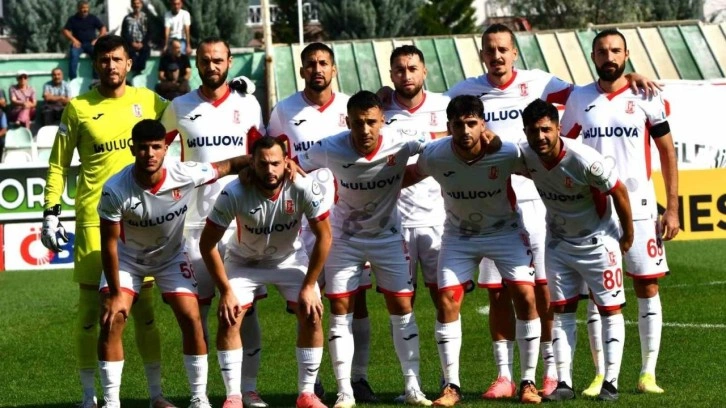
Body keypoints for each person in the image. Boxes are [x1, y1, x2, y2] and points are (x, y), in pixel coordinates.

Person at [444, 23, 659, 399]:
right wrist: (386, 96)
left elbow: (593, 91)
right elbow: (428, 107)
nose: (497, 56)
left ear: (514, 52)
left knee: (545, 292)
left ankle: (549, 373)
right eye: (490, 50)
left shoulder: (542, 83)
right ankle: (504, 376)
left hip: (545, 204)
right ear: (482, 55)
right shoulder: (465, 91)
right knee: (498, 292)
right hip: (498, 205)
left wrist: (628, 77)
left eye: (503, 49)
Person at [41, 35, 170, 408]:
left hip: (140, 223)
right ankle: (88, 396)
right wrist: (50, 211)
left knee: (145, 313)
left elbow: (188, 118)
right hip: (94, 222)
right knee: (90, 312)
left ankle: (156, 395)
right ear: (94, 64)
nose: (110, 65)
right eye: (103, 59)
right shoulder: (78, 108)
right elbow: (58, 165)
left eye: (117, 59)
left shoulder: (149, 101)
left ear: (129, 63)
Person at [560, 28, 679, 397]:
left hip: (641, 207)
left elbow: (667, 151)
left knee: (647, 285)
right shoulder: (579, 98)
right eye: (602, 51)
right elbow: (565, 151)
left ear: (626, 55)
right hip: (594, 211)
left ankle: (648, 373)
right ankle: (601, 374)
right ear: (593, 56)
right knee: (598, 291)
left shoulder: (646, 95)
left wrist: (672, 207)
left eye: (615, 51)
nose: (608, 57)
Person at [296, 91, 433, 408]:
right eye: (358, 123)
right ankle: (345, 392)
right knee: (340, 310)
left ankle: (412, 388)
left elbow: (439, 148)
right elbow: (295, 166)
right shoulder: (329, 147)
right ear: (348, 122)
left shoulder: (403, 141)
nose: (365, 129)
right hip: (345, 239)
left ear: (383, 120)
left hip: (388, 237)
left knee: (402, 307)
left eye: (371, 122)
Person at [97, 119, 246, 408]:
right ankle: (111, 402)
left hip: (170, 258)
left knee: (192, 318)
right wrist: (115, 293)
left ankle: (199, 398)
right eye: (143, 148)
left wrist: (276, 164)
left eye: (156, 147)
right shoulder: (115, 188)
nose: (149, 154)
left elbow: (231, 165)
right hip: (128, 260)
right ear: (132, 149)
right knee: (113, 318)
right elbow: (109, 244)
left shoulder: (185, 173)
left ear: (166, 148)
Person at [405, 95, 542, 405]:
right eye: (458, 125)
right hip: (459, 236)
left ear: (483, 124)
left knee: (525, 295)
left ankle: (528, 382)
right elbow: (408, 176)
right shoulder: (436, 154)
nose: (465, 131)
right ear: (448, 126)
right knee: (447, 300)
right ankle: (451, 386)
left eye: (471, 123)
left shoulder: (506, 152)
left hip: (505, 232)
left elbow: (540, 171)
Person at [161, 36, 268, 408]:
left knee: (244, 311)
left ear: (230, 61)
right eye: (205, 60)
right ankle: (200, 395)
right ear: (196, 63)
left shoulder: (248, 105)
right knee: (199, 312)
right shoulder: (179, 107)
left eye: (218, 59)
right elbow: (158, 155)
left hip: (241, 226)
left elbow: (262, 155)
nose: (212, 66)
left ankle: (246, 390)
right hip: (194, 227)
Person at [200, 136, 331, 408]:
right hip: (243, 262)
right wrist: (225, 291)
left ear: (286, 162)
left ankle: (307, 394)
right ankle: (234, 396)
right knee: (229, 316)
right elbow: (207, 244)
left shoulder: (303, 186)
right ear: (252, 163)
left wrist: (309, 286)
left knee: (312, 313)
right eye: (262, 164)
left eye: (275, 163)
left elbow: (325, 237)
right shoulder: (234, 192)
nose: (270, 170)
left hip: (288, 260)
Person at [266, 42, 362, 402]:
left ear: (334, 69)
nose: (317, 69)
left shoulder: (350, 107)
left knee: (352, 302)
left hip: (348, 219)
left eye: (323, 63)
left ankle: (356, 380)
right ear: (302, 70)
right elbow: (272, 154)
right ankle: (312, 383)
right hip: (302, 222)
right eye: (310, 64)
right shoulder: (284, 111)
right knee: (307, 304)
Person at [520, 99, 633, 402]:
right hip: (558, 244)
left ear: (558, 128)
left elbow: (620, 192)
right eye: (533, 131)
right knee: (562, 311)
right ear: (525, 132)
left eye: (546, 129)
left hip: (598, 242)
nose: (540, 136)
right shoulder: (526, 154)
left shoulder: (585, 159)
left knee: (609, 310)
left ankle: (611, 382)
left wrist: (627, 236)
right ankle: (564, 384)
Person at [62, 0, 107, 80]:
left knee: (97, 55)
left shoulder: (93, 18)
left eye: (86, 8)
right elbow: (65, 30)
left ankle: (96, 79)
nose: (85, 10)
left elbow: (103, 28)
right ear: (78, 8)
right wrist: (74, 40)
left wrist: (97, 39)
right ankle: (73, 79)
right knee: (73, 55)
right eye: (83, 8)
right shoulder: (73, 19)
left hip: (91, 44)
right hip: (78, 44)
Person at [121, 0, 151, 78]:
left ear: (141, 5)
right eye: (134, 4)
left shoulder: (146, 17)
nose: (136, 5)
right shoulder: (127, 18)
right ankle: (134, 72)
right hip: (131, 44)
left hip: (143, 43)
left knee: (145, 52)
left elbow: (150, 32)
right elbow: (124, 33)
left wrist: (142, 43)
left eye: (138, 3)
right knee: (130, 54)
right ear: (131, 5)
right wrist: (132, 43)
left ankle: (139, 71)